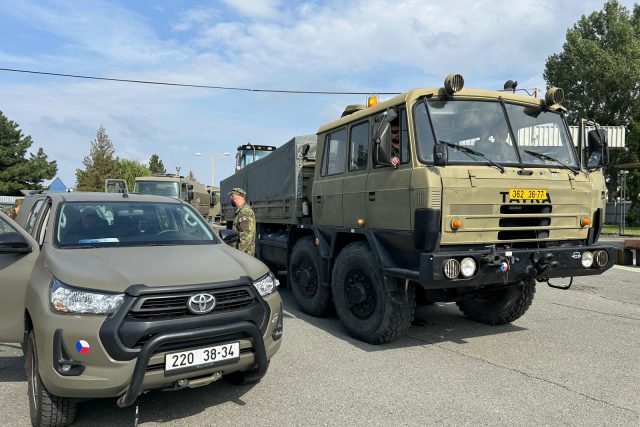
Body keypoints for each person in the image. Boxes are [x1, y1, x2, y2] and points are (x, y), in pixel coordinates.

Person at [229, 187, 256, 256]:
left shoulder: (245, 212)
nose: (230, 199)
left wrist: (239, 255)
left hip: (245, 256)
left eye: (231, 196)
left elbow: (247, 237)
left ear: (234, 196)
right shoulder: (241, 211)